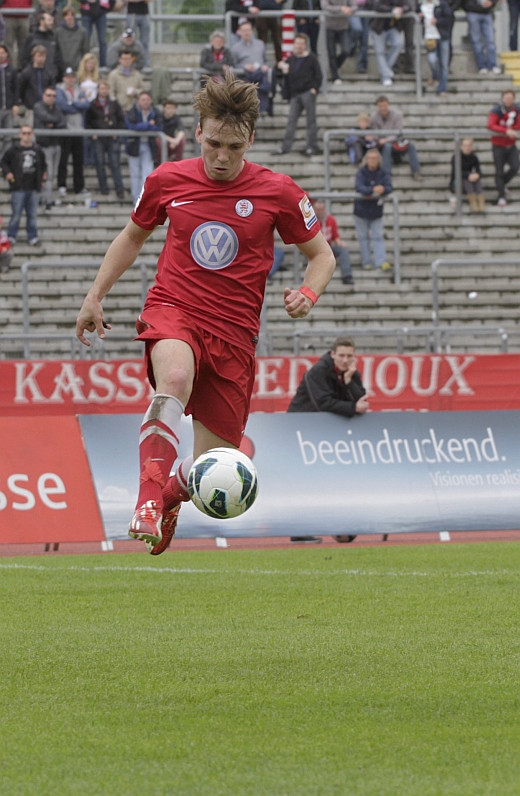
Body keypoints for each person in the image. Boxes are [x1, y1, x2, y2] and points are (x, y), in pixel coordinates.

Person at [75, 73, 335, 556]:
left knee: (213, 466)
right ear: (198, 132)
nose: (221, 156)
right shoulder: (167, 180)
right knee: (174, 376)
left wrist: (308, 292)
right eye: (213, 143)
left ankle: (171, 495)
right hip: (175, 309)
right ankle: (148, 499)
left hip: (234, 336)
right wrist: (95, 295)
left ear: (250, 140)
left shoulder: (279, 192)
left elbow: (322, 255)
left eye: (233, 147)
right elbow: (132, 237)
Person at [287, 335, 368, 543]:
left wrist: (349, 382)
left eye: (349, 356)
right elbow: (323, 403)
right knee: (304, 481)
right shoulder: (318, 372)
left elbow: (361, 400)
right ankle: (299, 531)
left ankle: (339, 525)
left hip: (325, 435)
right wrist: (352, 407)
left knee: (335, 479)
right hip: (300, 431)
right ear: (333, 354)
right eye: (341, 355)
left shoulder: (351, 373)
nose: (345, 360)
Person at [272, 32, 322, 156]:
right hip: (295, 94)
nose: (299, 46)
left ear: (305, 45)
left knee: (311, 120)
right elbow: (279, 73)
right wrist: (280, 67)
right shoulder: (291, 60)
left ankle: (311, 146)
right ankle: (285, 147)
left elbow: (318, 75)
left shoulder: (312, 58)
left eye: (301, 44)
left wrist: (314, 88)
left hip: (308, 92)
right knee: (291, 120)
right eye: (297, 43)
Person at [1, 124, 46, 246]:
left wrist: (43, 178)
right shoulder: (13, 149)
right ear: (20, 135)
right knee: (16, 214)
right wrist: (7, 173)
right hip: (18, 187)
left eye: (29, 133)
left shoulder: (37, 150)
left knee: (32, 215)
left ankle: (33, 236)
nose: (26, 136)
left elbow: (43, 165)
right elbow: (4, 162)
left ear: (32, 134)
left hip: (33, 187)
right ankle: (11, 236)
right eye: (24, 133)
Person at [85, 78, 126, 199]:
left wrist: (117, 132)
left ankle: (119, 189)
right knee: (100, 163)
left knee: (115, 163)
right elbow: (88, 121)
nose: (104, 90)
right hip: (98, 137)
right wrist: (92, 133)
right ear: (98, 90)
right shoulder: (93, 104)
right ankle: (103, 188)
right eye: (102, 88)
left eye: (106, 88)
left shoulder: (114, 104)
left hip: (112, 137)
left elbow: (121, 119)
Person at [353, 148, 393, 271]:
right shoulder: (361, 172)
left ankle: (380, 261)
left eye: (375, 158)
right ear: (366, 160)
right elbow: (359, 187)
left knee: (378, 236)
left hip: (376, 210)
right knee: (363, 237)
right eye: (371, 158)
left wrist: (383, 189)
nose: (373, 161)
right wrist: (373, 190)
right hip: (361, 210)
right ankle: (366, 262)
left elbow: (389, 186)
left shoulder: (383, 172)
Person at [369, 94, 423, 179]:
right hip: (381, 144)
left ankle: (416, 171)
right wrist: (380, 140)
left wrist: (387, 139)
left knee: (411, 145)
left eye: (384, 105)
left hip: (395, 141)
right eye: (380, 106)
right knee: (387, 146)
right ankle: (386, 174)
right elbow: (374, 132)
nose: (383, 108)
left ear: (388, 105)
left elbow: (398, 132)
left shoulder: (397, 115)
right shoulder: (374, 117)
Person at [56, 67, 89, 197]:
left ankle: (79, 186)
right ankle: (61, 185)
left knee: (78, 160)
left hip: (78, 129)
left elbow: (86, 105)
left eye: (72, 77)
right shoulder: (59, 90)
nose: (70, 80)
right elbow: (62, 105)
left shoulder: (79, 90)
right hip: (65, 129)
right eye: (68, 77)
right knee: (63, 159)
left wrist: (72, 103)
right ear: (64, 78)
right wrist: (77, 105)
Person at [124, 90, 161, 203]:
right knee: (135, 174)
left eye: (147, 99)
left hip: (149, 146)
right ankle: (136, 200)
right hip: (134, 145)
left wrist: (142, 127)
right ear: (138, 101)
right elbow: (132, 126)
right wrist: (148, 124)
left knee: (147, 174)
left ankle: (144, 199)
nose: (145, 102)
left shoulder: (155, 111)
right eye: (143, 100)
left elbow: (159, 127)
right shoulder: (132, 111)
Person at [33, 86, 66, 210]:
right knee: (47, 174)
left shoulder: (57, 108)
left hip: (56, 144)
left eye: (54, 96)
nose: (52, 98)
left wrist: (53, 124)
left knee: (53, 174)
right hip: (43, 146)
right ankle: (44, 200)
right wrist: (55, 122)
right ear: (43, 96)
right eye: (49, 95)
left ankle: (47, 198)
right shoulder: (38, 106)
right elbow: (46, 117)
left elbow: (63, 122)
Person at [231, 20, 273, 116]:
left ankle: (264, 109)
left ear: (252, 31)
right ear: (240, 32)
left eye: (248, 30)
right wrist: (244, 67)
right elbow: (233, 65)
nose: (246, 33)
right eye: (244, 30)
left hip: (261, 76)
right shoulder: (235, 48)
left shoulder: (260, 44)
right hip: (245, 78)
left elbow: (266, 61)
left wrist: (265, 66)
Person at [487, 88, 520, 206]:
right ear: (502, 98)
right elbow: (491, 125)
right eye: (506, 98)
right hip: (498, 145)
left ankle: (501, 184)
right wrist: (506, 131)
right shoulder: (496, 110)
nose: (508, 100)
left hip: (511, 144)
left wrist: (512, 130)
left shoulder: (517, 110)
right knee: (499, 170)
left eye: (510, 98)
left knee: (515, 167)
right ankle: (501, 196)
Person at [369, 0, 413, 87]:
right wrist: (392, 10)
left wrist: (401, 10)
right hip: (378, 28)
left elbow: (408, 6)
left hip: (392, 28)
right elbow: (376, 6)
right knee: (379, 52)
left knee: (398, 43)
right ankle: (386, 76)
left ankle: (385, 71)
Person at [312, 198, 353, 284]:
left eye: (322, 209)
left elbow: (335, 236)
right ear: (314, 210)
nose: (320, 212)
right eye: (318, 210)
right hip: (315, 247)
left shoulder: (331, 220)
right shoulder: (311, 221)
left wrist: (340, 243)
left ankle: (347, 275)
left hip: (328, 246)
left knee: (343, 250)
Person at [17, 45, 55, 125]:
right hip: (30, 108)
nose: (41, 58)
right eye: (39, 56)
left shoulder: (49, 73)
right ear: (33, 57)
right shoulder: (26, 73)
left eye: (43, 56)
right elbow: (20, 89)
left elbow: (51, 88)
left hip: (45, 108)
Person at [20, 11, 62, 81]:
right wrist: (30, 73)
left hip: (50, 78)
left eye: (52, 20)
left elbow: (58, 58)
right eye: (49, 20)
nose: (52, 22)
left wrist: (55, 73)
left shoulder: (53, 38)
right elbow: (24, 58)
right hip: (34, 79)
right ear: (42, 21)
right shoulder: (31, 38)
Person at [462, 0, 501, 75]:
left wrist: (492, 2)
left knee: (490, 40)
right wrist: (470, 7)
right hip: (472, 12)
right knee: (476, 42)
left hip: (487, 13)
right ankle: (482, 66)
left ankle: (493, 65)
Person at [321, 0, 356, 85]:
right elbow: (325, 6)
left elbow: (354, 6)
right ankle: (335, 76)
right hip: (329, 26)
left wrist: (349, 9)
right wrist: (341, 8)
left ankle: (334, 68)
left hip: (343, 27)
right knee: (332, 53)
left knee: (346, 50)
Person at [449, 137, 485, 212]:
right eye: (465, 146)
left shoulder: (474, 157)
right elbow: (456, 172)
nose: (467, 148)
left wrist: (477, 175)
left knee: (476, 179)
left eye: (469, 145)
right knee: (466, 179)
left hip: (471, 183)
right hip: (457, 183)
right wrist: (468, 175)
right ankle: (473, 203)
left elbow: (479, 171)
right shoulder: (456, 157)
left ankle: (481, 203)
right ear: (461, 147)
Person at [79, 0, 115, 68]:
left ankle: (103, 66)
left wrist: (108, 8)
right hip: (86, 12)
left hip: (101, 13)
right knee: (85, 40)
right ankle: (85, 64)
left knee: (102, 41)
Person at [55, 6, 89, 75]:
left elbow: (85, 50)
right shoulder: (58, 32)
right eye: (67, 15)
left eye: (71, 15)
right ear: (63, 17)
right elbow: (56, 51)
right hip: (61, 69)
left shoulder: (83, 32)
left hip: (78, 68)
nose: (69, 17)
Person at [250, 0, 285, 64]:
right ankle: (260, 62)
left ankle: (280, 63)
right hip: (261, 13)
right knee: (262, 41)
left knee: (278, 40)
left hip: (276, 13)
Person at [0, 44, 20, 157]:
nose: (1, 55)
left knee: (8, 136)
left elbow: (16, 88)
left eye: (3, 52)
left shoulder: (12, 70)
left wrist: (15, 104)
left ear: (7, 54)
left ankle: (5, 159)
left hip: (8, 108)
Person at [1, 0, 33, 69]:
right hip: (8, 15)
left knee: (24, 44)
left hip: (24, 15)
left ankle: (22, 68)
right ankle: (9, 69)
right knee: (8, 44)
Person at [125, 0, 151, 67]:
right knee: (130, 40)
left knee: (144, 42)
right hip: (132, 14)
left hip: (145, 14)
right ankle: (131, 63)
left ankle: (145, 64)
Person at [160, 98, 186, 162]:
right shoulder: (159, 117)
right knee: (158, 141)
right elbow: (159, 132)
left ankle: (177, 162)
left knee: (182, 140)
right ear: (164, 108)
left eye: (173, 108)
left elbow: (181, 131)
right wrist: (171, 140)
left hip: (172, 142)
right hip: (162, 141)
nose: (171, 110)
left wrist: (176, 140)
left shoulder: (176, 118)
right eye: (168, 108)